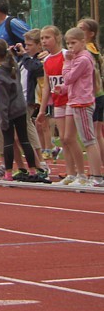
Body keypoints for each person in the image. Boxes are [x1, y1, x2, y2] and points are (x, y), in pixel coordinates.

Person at [0, 0, 31, 179]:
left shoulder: (12, 23)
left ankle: (37, 164)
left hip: (14, 78)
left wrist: (20, 55)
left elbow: (31, 37)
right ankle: (10, 164)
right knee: (1, 125)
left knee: (22, 124)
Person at [0, 39, 47, 182]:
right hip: (20, 107)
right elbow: (10, 58)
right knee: (24, 139)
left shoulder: (0, 73)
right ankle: (32, 171)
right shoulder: (13, 64)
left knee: (8, 141)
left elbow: (2, 100)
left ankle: (8, 172)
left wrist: (3, 118)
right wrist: (20, 53)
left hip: (9, 110)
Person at [56, 27, 102, 187]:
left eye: (73, 43)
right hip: (76, 100)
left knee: (88, 140)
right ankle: (78, 174)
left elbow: (69, 77)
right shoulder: (78, 58)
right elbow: (73, 82)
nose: (70, 47)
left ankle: (96, 176)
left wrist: (67, 62)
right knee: (70, 137)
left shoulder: (82, 59)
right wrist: (62, 88)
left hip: (82, 102)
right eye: (68, 43)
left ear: (83, 42)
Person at [37, 26, 78, 184]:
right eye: (42, 38)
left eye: (47, 38)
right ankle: (70, 173)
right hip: (58, 102)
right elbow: (46, 85)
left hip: (71, 100)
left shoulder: (66, 55)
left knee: (69, 137)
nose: (44, 41)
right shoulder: (46, 60)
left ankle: (79, 172)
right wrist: (42, 109)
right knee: (62, 138)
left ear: (57, 38)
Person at [78, 18, 104, 169]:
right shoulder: (94, 49)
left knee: (93, 134)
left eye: (82, 29)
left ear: (91, 34)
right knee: (97, 133)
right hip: (98, 94)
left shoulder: (87, 50)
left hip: (92, 95)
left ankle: (97, 169)